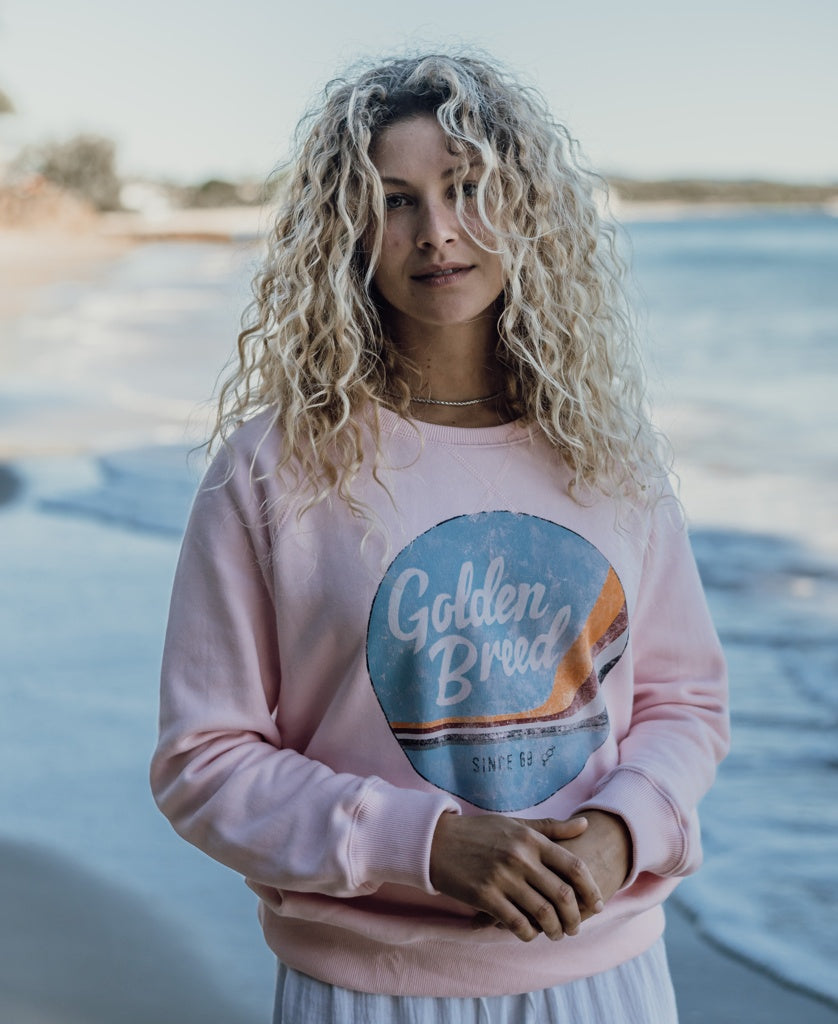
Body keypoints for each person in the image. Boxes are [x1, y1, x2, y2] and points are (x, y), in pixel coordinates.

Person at [150, 52, 729, 1023]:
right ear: (347, 230)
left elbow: (684, 699)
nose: (439, 232)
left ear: (529, 208)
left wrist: (619, 831)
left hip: (607, 977)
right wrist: (430, 842)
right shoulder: (274, 465)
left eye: (467, 189)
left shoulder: (606, 455)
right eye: (395, 200)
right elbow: (203, 760)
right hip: (372, 989)